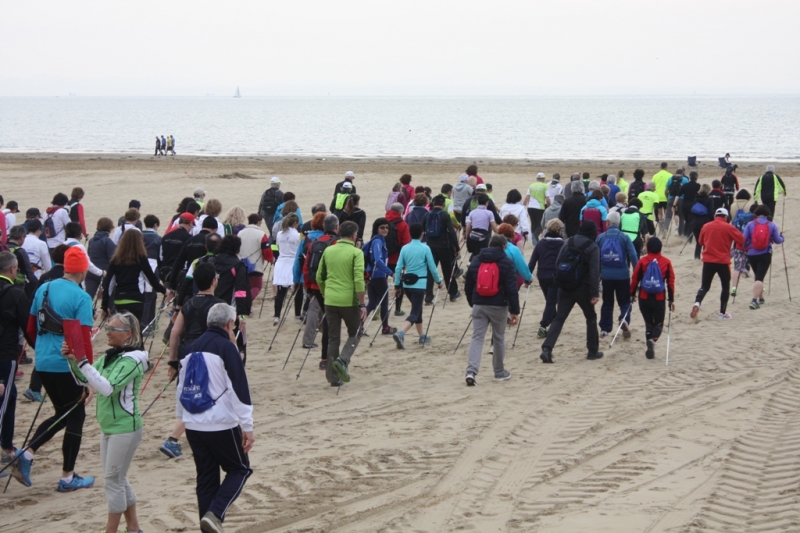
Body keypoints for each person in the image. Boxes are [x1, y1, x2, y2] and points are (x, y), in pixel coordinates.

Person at [12, 248, 95, 491]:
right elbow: (83, 340)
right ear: (82, 270)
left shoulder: (44, 288)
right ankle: (68, 477)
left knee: (62, 413)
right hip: (66, 364)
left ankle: (26, 455)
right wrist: (87, 376)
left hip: (44, 361)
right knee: (76, 416)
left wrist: (42, 349)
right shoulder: (82, 297)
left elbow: (29, 326)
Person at [61, 312, 147, 533]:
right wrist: (73, 359)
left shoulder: (133, 359)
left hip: (125, 428)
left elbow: (107, 388)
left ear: (128, 334)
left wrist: (82, 362)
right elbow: (85, 378)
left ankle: (111, 530)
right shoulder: (112, 356)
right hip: (109, 427)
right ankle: (134, 528)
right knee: (117, 477)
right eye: (107, 327)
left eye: (113, 329)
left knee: (112, 480)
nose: (107, 332)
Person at [176, 303, 254, 533]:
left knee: (207, 477)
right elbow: (240, 389)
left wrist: (182, 419)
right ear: (230, 324)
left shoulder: (190, 347)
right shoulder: (227, 348)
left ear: (209, 323)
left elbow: (181, 388)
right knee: (240, 469)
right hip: (220, 423)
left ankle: (208, 523)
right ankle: (215, 513)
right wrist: (247, 426)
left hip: (193, 423)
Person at [160, 263, 224, 459]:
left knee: (188, 394)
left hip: (186, 352)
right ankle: (173, 438)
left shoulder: (188, 304)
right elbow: (227, 334)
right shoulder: (219, 306)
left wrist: (172, 361)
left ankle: (200, 433)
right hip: (208, 354)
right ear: (214, 281)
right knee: (200, 397)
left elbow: (175, 333)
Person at [539, 221, 602, 364]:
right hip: (583, 288)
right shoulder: (593, 247)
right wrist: (594, 292)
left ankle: (547, 349)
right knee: (590, 317)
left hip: (565, 286)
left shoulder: (568, 241)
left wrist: (559, 281)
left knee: (559, 318)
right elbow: (594, 271)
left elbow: (558, 263)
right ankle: (592, 351)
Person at [463, 234, 520, 385]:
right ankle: (499, 372)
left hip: (479, 304)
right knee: (499, 337)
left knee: (477, 337)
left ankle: (471, 371)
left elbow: (468, 284)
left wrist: (473, 302)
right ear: (504, 246)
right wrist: (514, 311)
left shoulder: (476, 259)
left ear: (489, 244)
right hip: (499, 305)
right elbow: (511, 289)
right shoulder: (506, 262)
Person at [316, 221, 367, 386]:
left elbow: (319, 276)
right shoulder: (356, 252)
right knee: (356, 331)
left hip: (330, 299)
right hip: (349, 301)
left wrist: (325, 292)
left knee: (333, 338)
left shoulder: (329, 250)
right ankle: (343, 361)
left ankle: (332, 378)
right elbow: (358, 279)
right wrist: (362, 303)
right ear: (354, 235)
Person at [0, 252, 36, 478]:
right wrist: (39, 348)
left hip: (5, 353)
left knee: (10, 396)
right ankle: (5, 451)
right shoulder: (14, 293)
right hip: (5, 355)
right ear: (13, 270)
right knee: (3, 402)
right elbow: (27, 326)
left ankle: (7, 446)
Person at [391, 223, 443, 349]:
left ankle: (422, 336)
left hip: (406, 285)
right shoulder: (425, 248)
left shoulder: (405, 248)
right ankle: (401, 333)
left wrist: (397, 284)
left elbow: (398, 268)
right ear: (422, 234)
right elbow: (432, 267)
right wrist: (439, 281)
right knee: (415, 312)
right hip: (419, 285)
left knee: (417, 309)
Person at [691, 208, 745, 321]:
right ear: (726, 217)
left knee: (704, 286)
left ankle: (697, 302)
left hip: (708, 260)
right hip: (723, 261)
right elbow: (741, 239)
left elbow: (700, 242)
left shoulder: (706, 226)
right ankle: (722, 313)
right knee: (725, 287)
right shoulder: (729, 227)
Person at [102, 229, 166, 326]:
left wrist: (104, 306)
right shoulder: (141, 259)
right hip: (136, 299)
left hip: (120, 299)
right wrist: (165, 291)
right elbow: (151, 280)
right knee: (135, 331)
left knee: (123, 330)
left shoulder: (115, 260)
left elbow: (108, 284)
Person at [303, 214, 339, 369]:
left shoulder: (314, 243)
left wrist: (308, 287)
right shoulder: (336, 243)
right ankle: (326, 359)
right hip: (331, 287)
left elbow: (306, 267)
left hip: (316, 286)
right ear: (336, 227)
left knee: (327, 320)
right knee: (331, 324)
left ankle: (325, 358)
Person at [630, 237, 676, 359]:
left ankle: (650, 347)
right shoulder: (666, 262)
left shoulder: (642, 261)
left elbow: (635, 279)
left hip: (643, 298)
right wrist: (671, 300)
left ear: (648, 247)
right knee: (659, 324)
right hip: (659, 299)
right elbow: (670, 282)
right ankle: (653, 341)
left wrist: (632, 294)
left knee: (648, 323)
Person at [595, 212, 638, 338]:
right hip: (623, 275)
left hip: (606, 276)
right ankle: (624, 319)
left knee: (607, 302)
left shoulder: (601, 237)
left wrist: (597, 277)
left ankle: (604, 328)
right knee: (625, 301)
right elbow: (633, 255)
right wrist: (637, 272)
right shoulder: (624, 237)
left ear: (607, 223)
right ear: (619, 223)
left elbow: (596, 258)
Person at [743, 205, 784, 309]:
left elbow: (743, 240)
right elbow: (778, 240)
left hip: (751, 254)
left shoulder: (750, 224)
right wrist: (782, 238)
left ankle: (761, 298)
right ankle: (754, 300)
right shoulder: (772, 225)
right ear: (767, 214)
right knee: (760, 277)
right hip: (765, 253)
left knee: (758, 276)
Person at [529, 219, 565, 338]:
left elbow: (533, 261)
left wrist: (528, 277)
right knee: (551, 301)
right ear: (559, 231)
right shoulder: (563, 244)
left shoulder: (540, 243)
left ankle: (554, 321)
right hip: (556, 275)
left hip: (542, 275)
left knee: (550, 300)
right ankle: (543, 325)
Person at [425, 195, 461, 302]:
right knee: (448, 270)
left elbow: (422, 231)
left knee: (431, 270)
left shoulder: (427, 215)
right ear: (443, 204)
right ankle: (453, 293)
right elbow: (451, 232)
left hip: (430, 247)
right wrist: (456, 247)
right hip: (444, 246)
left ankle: (428, 296)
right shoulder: (445, 215)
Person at [363, 218, 396, 336]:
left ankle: (360, 325)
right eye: (382, 227)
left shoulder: (377, 240)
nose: (385, 229)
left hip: (372, 276)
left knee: (372, 302)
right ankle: (385, 327)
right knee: (384, 302)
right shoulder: (378, 242)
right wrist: (390, 272)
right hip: (378, 276)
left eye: (387, 227)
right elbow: (378, 261)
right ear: (376, 228)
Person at [169, 215, 218, 291]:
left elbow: (178, 262)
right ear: (215, 229)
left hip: (190, 281)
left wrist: (172, 285)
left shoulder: (190, 240)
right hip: (207, 284)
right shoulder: (213, 242)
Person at [273, 214, 302, 325]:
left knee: (281, 291)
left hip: (281, 262)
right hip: (293, 262)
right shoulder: (299, 236)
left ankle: (276, 316)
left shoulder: (280, 234)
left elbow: (277, 246)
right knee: (297, 289)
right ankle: (297, 314)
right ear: (295, 223)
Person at [385, 203, 412, 317]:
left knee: (381, 284)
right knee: (398, 284)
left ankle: (379, 308)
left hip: (383, 260)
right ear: (401, 212)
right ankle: (398, 308)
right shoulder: (403, 225)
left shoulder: (382, 223)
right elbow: (406, 244)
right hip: (397, 259)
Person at [238, 213, 273, 300]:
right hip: (255, 266)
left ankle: (246, 305)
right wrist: (271, 259)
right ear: (258, 222)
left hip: (240, 264)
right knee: (257, 286)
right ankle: (246, 302)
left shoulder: (240, 233)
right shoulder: (261, 234)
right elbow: (266, 251)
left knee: (245, 287)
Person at [729, 190, 756, 296]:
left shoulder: (733, 205)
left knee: (737, 264)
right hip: (748, 234)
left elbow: (731, 218)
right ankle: (747, 269)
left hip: (736, 233)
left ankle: (734, 288)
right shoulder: (751, 205)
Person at [159, 213, 194, 288]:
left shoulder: (166, 236)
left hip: (166, 273)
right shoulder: (189, 239)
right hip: (180, 273)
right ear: (190, 223)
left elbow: (160, 256)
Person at [85, 218, 116, 299]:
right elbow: (113, 259)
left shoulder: (92, 240)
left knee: (88, 297)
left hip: (91, 271)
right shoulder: (107, 241)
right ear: (109, 228)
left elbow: (89, 255)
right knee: (110, 298)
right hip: (104, 272)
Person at [6, 225, 38, 298]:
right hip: (17, 287)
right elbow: (29, 274)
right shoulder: (21, 252)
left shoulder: (3, 248)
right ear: (22, 237)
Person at [464, 194, 498, 259]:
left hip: (473, 237)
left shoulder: (472, 212)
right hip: (483, 238)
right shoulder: (489, 213)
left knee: (475, 253)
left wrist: (467, 237)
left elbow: (468, 228)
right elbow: (494, 228)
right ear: (487, 203)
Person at [523, 173, 549, 243]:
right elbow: (547, 198)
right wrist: (549, 206)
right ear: (543, 179)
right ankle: (535, 235)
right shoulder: (545, 186)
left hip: (530, 207)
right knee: (540, 224)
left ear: (537, 179)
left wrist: (523, 206)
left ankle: (534, 239)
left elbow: (527, 197)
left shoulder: (531, 186)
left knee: (533, 223)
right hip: (540, 207)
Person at [691, 184, 715, 260]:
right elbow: (711, 212)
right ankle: (705, 258)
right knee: (706, 242)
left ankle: (696, 258)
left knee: (698, 243)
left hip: (696, 223)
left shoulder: (695, 199)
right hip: (706, 223)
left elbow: (693, 211)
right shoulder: (709, 200)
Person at [665, 168, 688, 235]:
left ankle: (665, 229)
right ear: (682, 173)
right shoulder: (685, 179)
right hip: (681, 199)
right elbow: (686, 190)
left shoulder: (670, 179)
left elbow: (666, 190)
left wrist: (668, 197)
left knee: (668, 216)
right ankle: (680, 233)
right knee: (681, 217)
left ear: (675, 173)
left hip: (671, 198)